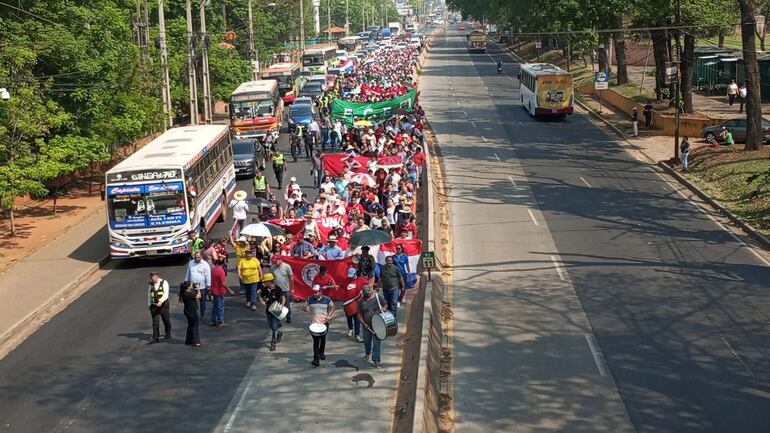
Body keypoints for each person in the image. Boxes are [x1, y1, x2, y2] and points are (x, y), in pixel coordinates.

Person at [357, 285, 388, 369]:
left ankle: (376, 360)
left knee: (377, 343)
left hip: (377, 325)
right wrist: (363, 323)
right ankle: (368, 353)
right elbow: (359, 314)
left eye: (368, 293)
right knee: (367, 342)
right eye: (366, 293)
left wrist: (384, 308)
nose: (368, 294)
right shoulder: (360, 302)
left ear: (371, 291)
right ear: (363, 293)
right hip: (367, 327)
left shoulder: (378, 297)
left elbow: (385, 304)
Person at [304, 285, 335, 366]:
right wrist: (305, 308)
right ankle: (316, 359)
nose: (314, 294)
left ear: (321, 292)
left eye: (316, 292)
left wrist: (329, 315)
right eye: (313, 292)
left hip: (324, 323)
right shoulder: (310, 299)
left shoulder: (327, 299)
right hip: (314, 324)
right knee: (316, 341)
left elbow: (333, 306)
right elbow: (305, 306)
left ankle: (322, 353)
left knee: (323, 339)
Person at [259, 273, 286, 351]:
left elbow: (283, 298)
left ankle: (273, 344)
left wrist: (282, 305)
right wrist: (261, 301)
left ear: (270, 281)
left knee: (274, 328)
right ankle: (279, 332)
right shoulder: (265, 289)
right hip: (268, 310)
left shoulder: (277, 289)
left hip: (276, 309)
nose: (264, 283)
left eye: (265, 281)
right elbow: (260, 295)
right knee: (270, 325)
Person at [185, 250, 211, 318]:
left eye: (198, 257)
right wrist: (186, 281)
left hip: (202, 287)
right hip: (192, 286)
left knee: (202, 301)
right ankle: (194, 313)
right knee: (193, 301)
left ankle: (202, 313)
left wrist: (208, 285)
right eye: (196, 257)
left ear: (201, 257)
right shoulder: (191, 263)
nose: (197, 259)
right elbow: (188, 272)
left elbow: (208, 275)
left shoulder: (205, 264)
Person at [147, 272, 171, 344]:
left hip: (163, 305)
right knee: (155, 322)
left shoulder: (164, 282)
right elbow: (149, 295)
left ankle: (168, 332)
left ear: (156, 277)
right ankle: (155, 337)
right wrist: (149, 305)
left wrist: (161, 301)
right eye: (150, 278)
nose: (151, 279)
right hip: (154, 306)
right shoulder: (151, 284)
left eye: (152, 278)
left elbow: (166, 294)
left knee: (166, 320)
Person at [210, 258, 234, 326]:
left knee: (215, 306)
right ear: (223, 263)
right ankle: (220, 321)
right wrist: (230, 290)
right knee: (220, 306)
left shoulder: (213, 269)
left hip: (214, 290)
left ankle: (213, 320)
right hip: (219, 291)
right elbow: (223, 283)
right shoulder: (221, 271)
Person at [271, 256, 295, 323]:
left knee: (286, 305)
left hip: (285, 289)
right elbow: (271, 278)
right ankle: (278, 318)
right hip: (276, 290)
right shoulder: (272, 267)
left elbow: (291, 278)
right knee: (276, 305)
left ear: (281, 260)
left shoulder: (287, 266)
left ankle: (288, 316)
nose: (275, 262)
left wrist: (292, 289)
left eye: (277, 260)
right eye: (274, 261)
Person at [179, 281, 201, 346]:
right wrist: (198, 289)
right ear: (188, 287)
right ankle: (196, 341)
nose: (192, 286)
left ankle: (188, 340)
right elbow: (199, 296)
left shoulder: (184, 293)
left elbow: (195, 299)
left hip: (187, 311)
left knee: (190, 325)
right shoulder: (188, 294)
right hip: (192, 311)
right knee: (195, 325)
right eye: (191, 285)